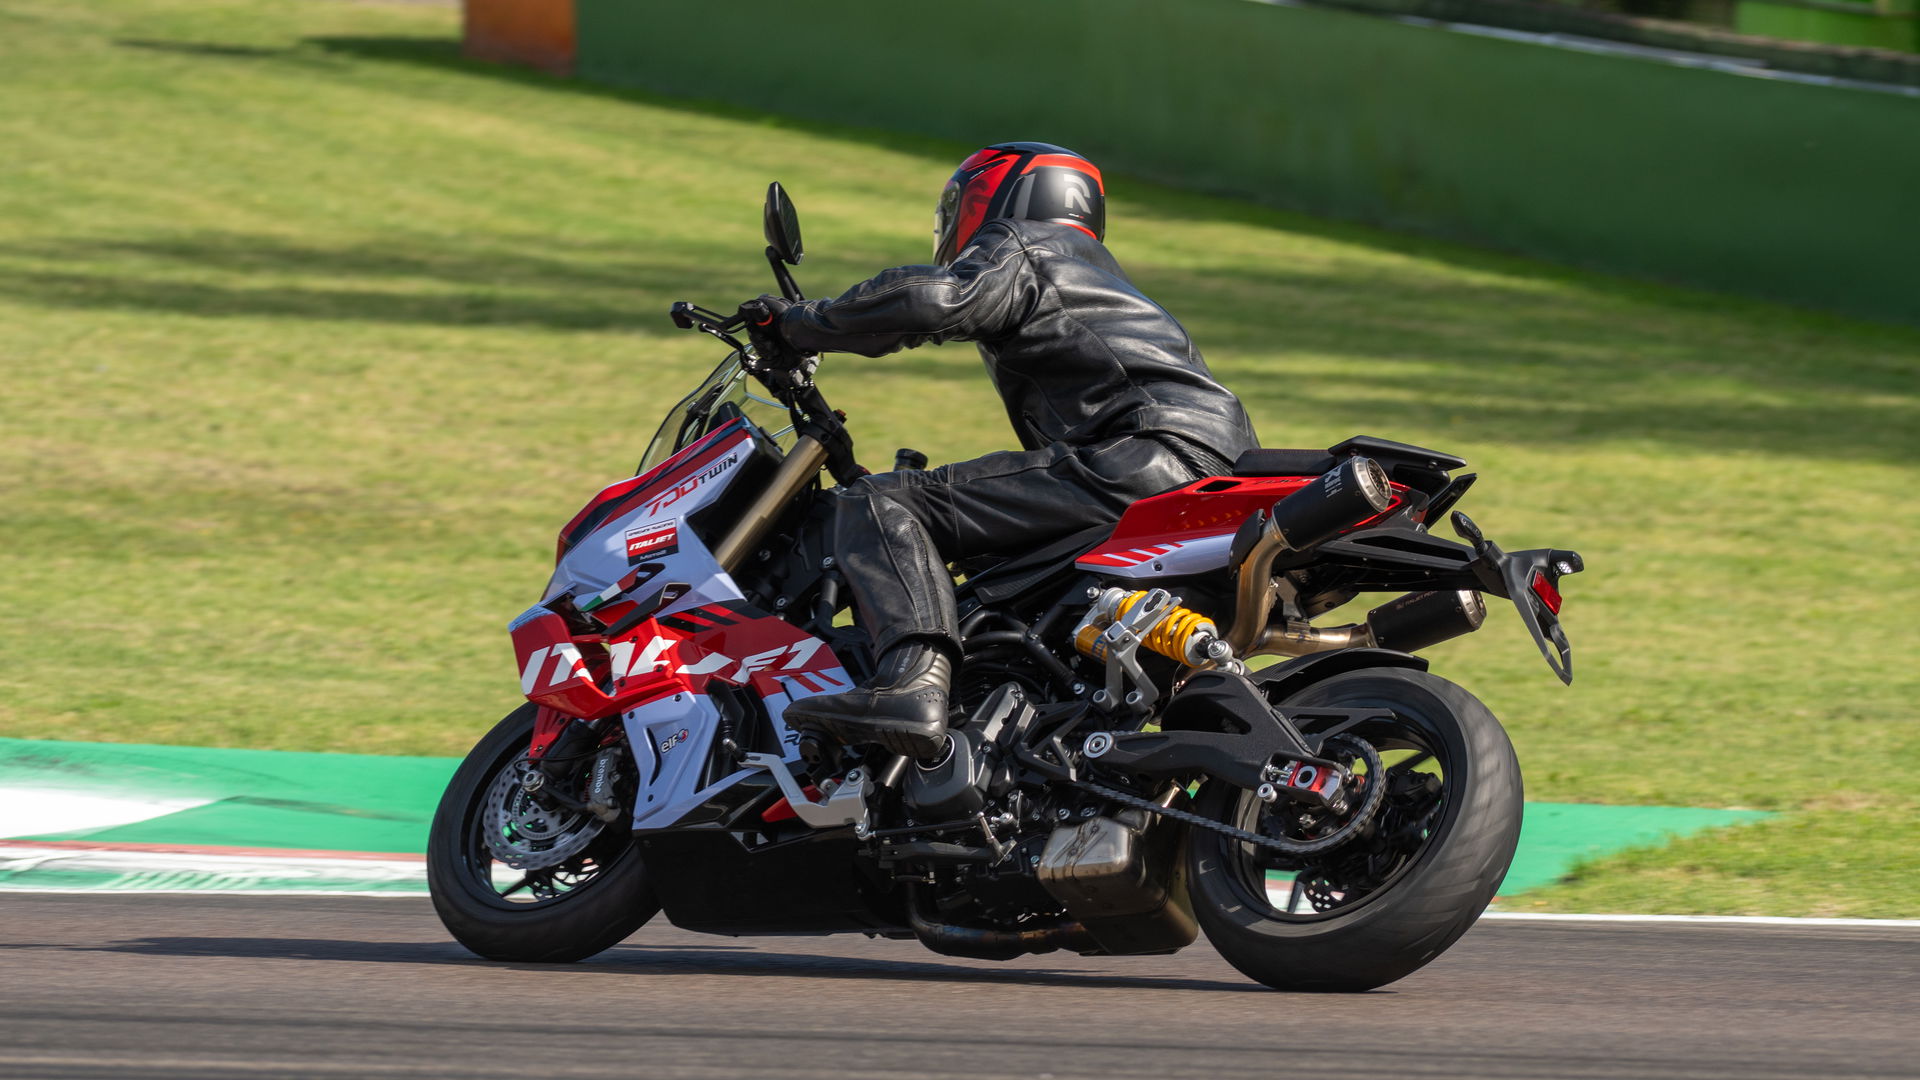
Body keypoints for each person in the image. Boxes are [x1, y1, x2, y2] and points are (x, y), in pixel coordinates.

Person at [741, 141, 1257, 761]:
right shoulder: (1093, 272)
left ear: (998, 195)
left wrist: (802, 323)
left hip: (1143, 454)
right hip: (1200, 466)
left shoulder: (1028, 243)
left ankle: (914, 684)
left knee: (880, 502)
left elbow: (934, 300)